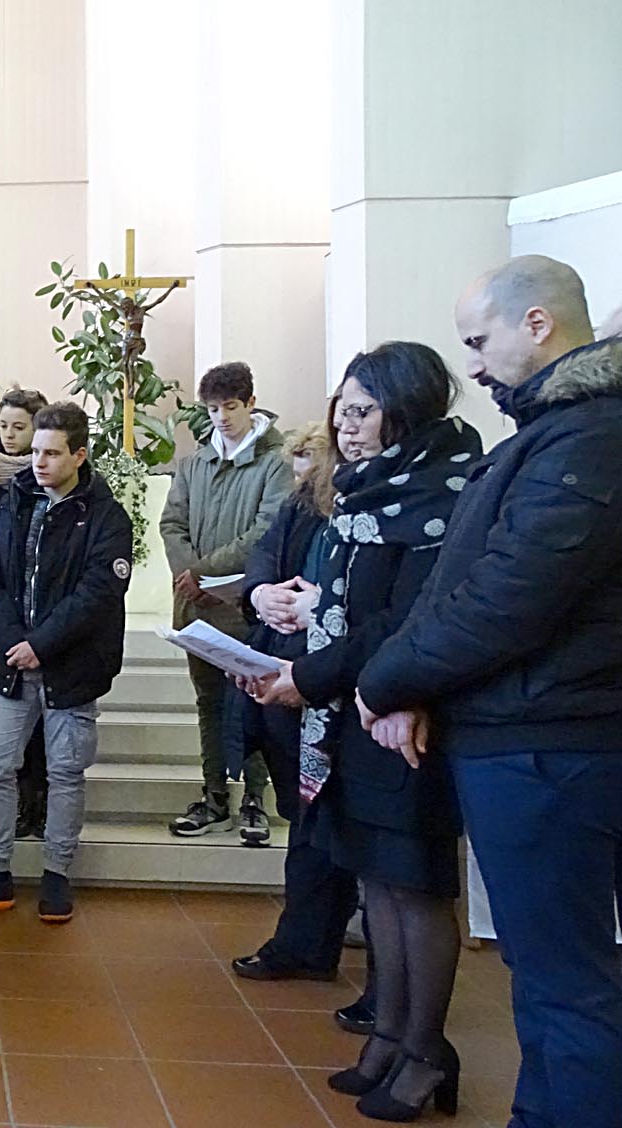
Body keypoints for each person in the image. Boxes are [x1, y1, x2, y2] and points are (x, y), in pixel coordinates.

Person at [357, 257, 622, 1128]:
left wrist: (388, 678)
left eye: (479, 340)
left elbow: (505, 596)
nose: (472, 364)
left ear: (537, 323)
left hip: (552, 744)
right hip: (535, 733)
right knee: (552, 982)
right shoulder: (557, 432)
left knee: (566, 986)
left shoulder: (588, 435)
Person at [251, 342, 481, 1121]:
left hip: (408, 717)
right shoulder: (363, 493)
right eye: (340, 411)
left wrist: (307, 675)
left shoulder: (445, 493)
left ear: (406, 411)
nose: (345, 427)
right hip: (354, 714)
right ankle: (387, 1037)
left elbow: (401, 621)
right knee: (376, 880)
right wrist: (304, 608)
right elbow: (351, 601)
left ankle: (426, 1054)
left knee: (415, 888)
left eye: (363, 411)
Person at [0, 402, 132, 923]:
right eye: (36, 453)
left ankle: (56, 876)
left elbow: (97, 593)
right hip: (11, 661)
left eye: (52, 454)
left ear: (79, 455)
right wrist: (12, 640)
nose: (39, 463)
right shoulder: (14, 503)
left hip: (71, 664)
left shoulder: (105, 516)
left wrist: (40, 645)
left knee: (65, 771)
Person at [228, 420, 375, 1015]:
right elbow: (265, 554)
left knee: (354, 828)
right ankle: (305, 945)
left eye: (312, 469)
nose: (305, 481)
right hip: (287, 678)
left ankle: (389, 988)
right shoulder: (300, 504)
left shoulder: (380, 504)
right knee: (307, 822)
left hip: (349, 686)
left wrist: (322, 605)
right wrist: (260, 594)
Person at [161, 362, 294, 842]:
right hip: (196, 604)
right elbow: (171, 522)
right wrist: (189, 575)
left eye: (231, 407)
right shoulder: (195, 462)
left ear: (250, 403)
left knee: (253, 700)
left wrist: (203, 571)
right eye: (213, 409)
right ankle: (214, 795)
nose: (221, 417)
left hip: (246, 603)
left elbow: (265, 530)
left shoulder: (275, 462)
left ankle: (255, 799)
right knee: (209, 703)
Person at [0, 387, 51, 840]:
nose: (9, 435)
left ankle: (42, 798)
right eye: (3, 426)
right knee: (11, 707)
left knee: (43, 714)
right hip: (3, 611)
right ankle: (19, 799)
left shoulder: (51, 472)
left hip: (47, 614)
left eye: (20, 427)